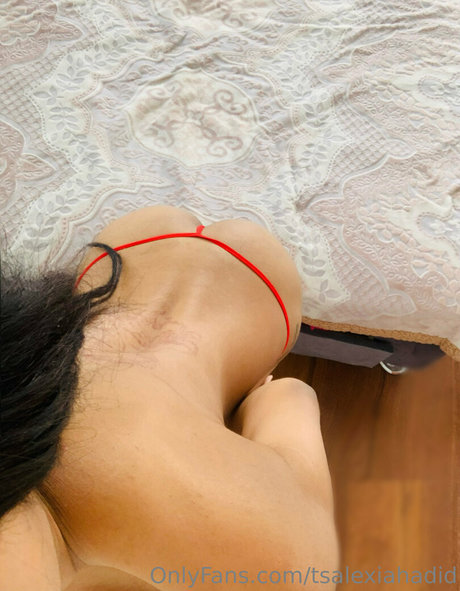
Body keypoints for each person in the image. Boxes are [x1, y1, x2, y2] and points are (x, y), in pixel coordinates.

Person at [0, 205, 339, 590]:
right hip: (125, 249)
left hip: (260, 281)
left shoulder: (272, 567)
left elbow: (289, 393)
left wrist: (241, 409)